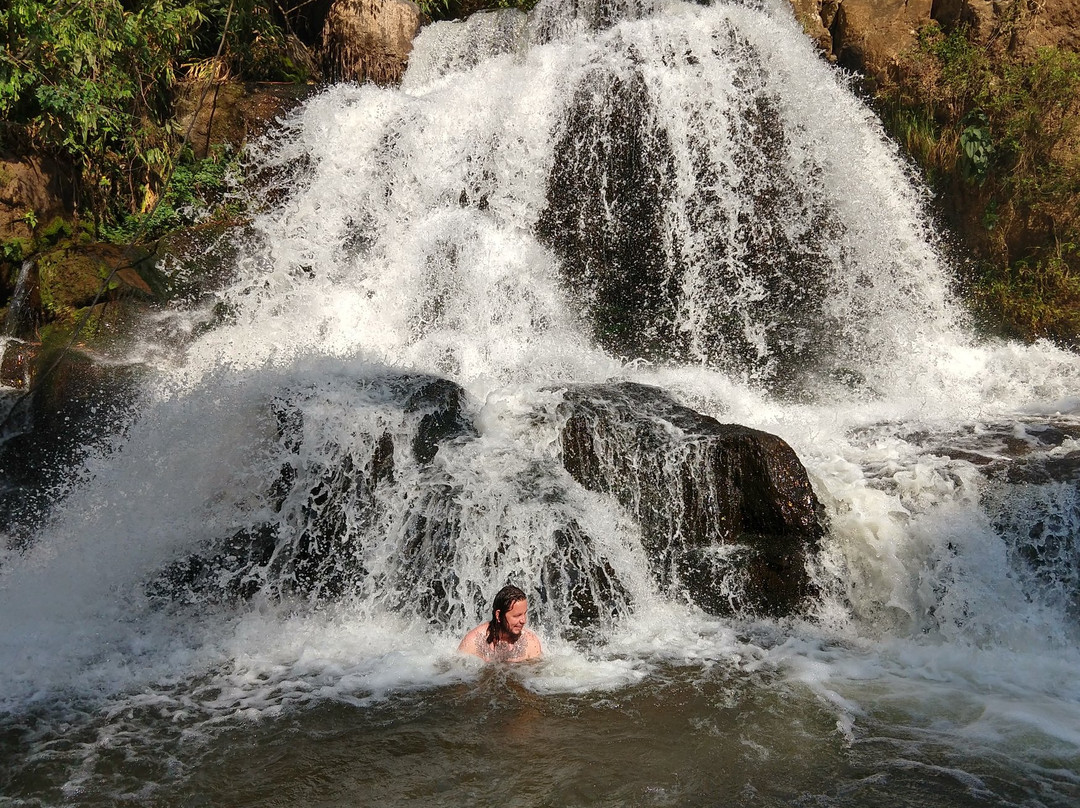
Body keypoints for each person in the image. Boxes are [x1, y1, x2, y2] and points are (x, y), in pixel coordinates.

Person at [458, 584, 542, 663]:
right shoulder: (474, 642)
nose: (523, 621)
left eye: (524, 614)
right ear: (498, 615)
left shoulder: (530, 643)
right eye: (517, 616)